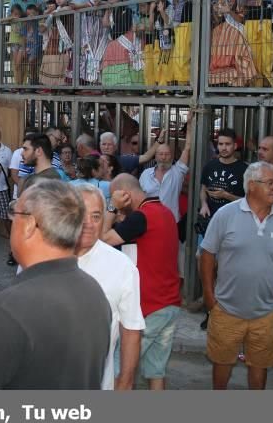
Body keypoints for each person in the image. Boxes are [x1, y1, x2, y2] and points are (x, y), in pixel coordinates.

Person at [0, 180, 110, 390]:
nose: (11, 221)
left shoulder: (10, 307)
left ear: (29, 225)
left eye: (15, 212)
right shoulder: (94, 291)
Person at [200, 162, 273, 390]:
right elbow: (206, 255)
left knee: (260, 368)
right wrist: (209, 297)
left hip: (267, 315)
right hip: (226, 310)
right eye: (270, 183)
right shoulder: (225, 215)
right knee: (222, 365)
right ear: (251, 186)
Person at [101, 173, 180, 390]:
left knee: (120, 373)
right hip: (169, 305)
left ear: (124, 195)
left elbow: (103, 240)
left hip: (149, 308)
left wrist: (111, 207)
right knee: (156, 372)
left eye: (115, 196)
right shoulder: (164, 211)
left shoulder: (142, 217)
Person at [73, 183, 144, 390]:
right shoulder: (44, 257)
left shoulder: (121, 266)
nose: (89, 223)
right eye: (81, 214)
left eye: (96, 216)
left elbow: (131, 329)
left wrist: (125, 382)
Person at [139, 124, 192, 222]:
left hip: (171, 222)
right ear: (155, 156)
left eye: (167, 154)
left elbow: (187, 148)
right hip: (149, 221)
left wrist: (189, 123)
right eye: (161, 154)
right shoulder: (146, 174)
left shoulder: (177, 172)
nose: (163, 157)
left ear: (171, 157)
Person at [199, 128, 248, 222]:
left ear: (235, 146)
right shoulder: (210, 166)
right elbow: (203, 189)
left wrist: (226, 195)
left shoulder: (245, 170)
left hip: (234, 222)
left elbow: (249, 201)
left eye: (228, 144)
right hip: (210, 220)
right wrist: (204, 205)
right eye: (221, 144)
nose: (224, 148)